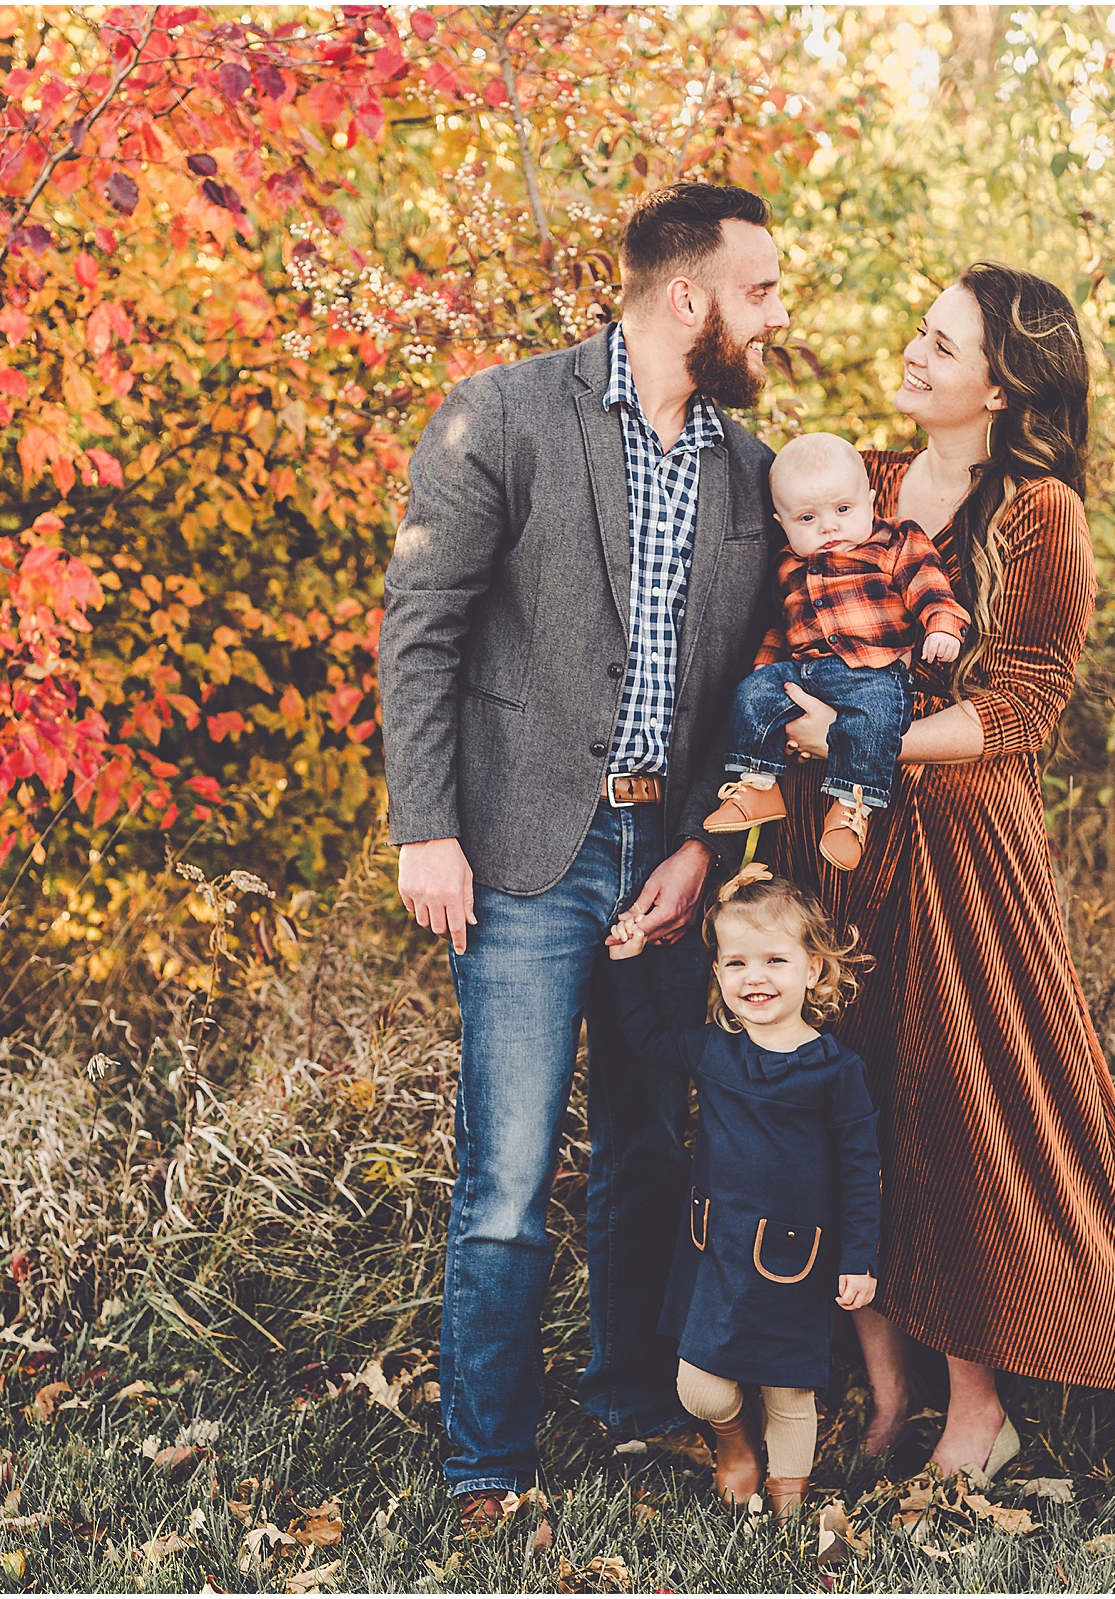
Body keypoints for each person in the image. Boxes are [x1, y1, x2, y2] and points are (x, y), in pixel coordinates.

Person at [767, 262, 1115, 1481]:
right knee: (846, 1097)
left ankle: (981, 1409)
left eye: (943, 344)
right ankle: (882, 1398)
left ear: (1000, 385)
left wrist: (853, 739)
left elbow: (1020, 708)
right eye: (918, 330)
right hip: (836, 839)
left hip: (959, 847)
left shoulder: (1037, 514)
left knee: (956, 1113)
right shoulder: (859, 483)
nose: (915, 354)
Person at [377, 182, 789, 1511]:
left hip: (666, 860)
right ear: (691, 298)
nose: (779, 315)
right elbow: (420, 623)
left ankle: (629, 1400)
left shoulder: (754, 469)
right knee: (506, 1172)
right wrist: (425, 825)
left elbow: (754, 688)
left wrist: (705, 852)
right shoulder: (503, 412)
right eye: (763, 289)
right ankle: (484, 1457)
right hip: (518, 855)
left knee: (653, 1151)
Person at [605, 865, 881, 1516]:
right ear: (720, 972)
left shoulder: (835, 1070)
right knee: (699, 1382)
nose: (754, 977)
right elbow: (643, 1035)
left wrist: (859, 1257)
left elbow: (860, 1168)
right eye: (736, 962)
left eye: (775, 959)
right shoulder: (713, 1050)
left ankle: (788, 1500)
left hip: (796, 1258)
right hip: (715, 1254)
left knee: (789, 1391)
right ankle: (734, 1443)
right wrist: (625, 960)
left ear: (813, 968)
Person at [700, 434, 970, 871]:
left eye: (843, 510)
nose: (828, 527)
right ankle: (756, 782)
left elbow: (928, 584)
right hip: (805, 670)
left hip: (875, 670)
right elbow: (780, 625)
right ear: (781, 522)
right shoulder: (788, 564)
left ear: (870, 500)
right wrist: (764, 674)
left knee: (874, 719)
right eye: (807, 517)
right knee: (750, 695)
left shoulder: (893, 540)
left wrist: (942, 625)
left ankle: (851, 807)